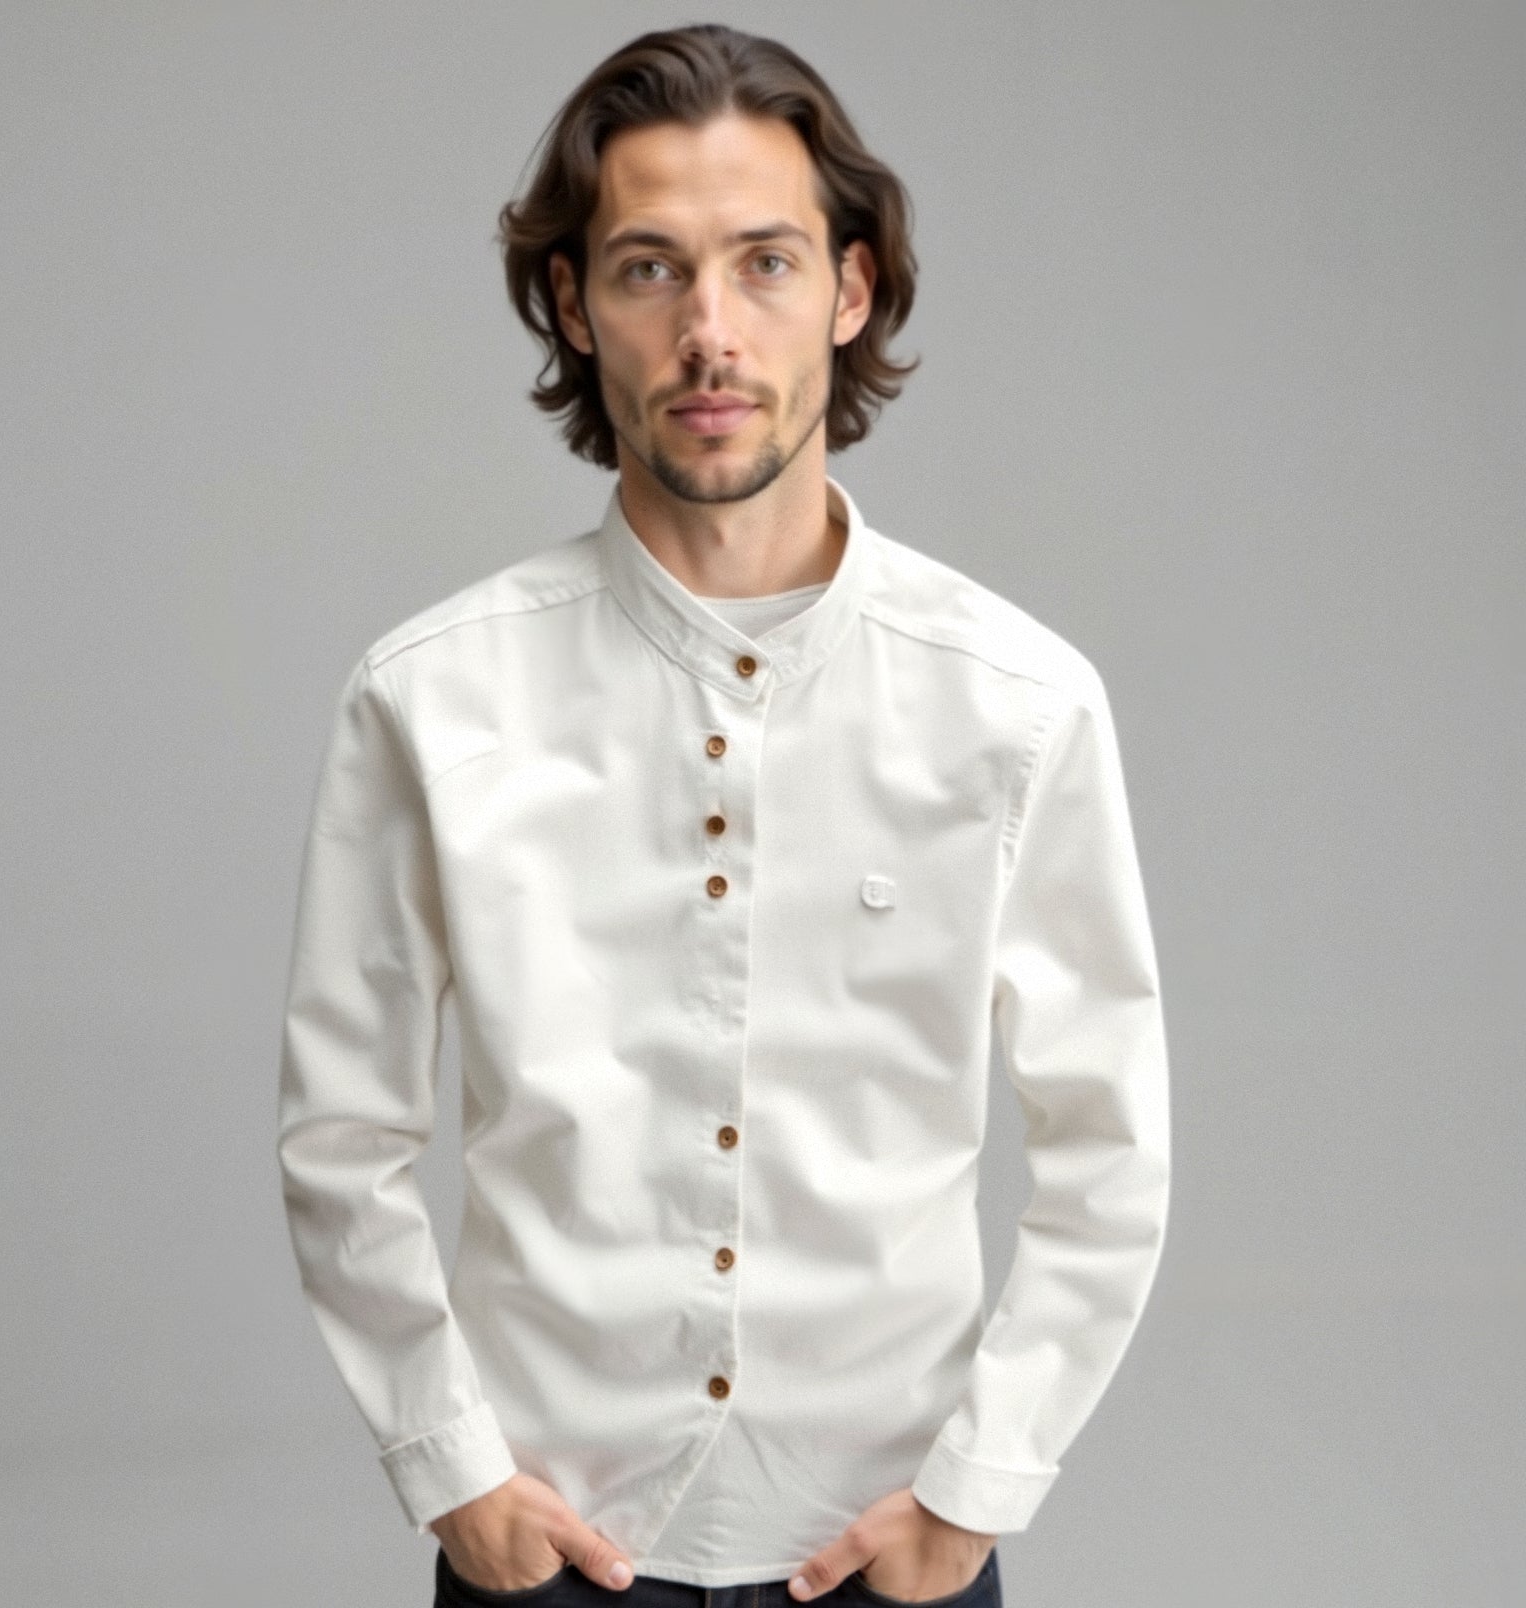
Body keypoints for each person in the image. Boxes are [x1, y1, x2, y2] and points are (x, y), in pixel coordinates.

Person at [275, 23, 1171, 1608]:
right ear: (574, 305)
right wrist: (451, 1472)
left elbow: (1112, 1144)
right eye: (648, 270)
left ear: (851, 288)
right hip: (548, 1553)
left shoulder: (1019, 706)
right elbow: (342, 1135)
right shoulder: (432, 698)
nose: (709, 333)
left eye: (764, 263)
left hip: (887, 1550)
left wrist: (981, 1488)